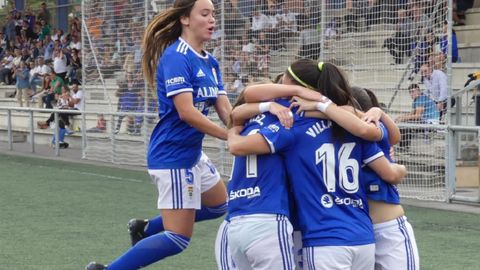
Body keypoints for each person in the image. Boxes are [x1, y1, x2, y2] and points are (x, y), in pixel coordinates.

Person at [86, 0, 232, 269]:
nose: (212, 19)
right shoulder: (176, 57)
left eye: (213, 14)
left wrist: (239, 128)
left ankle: (144, 228)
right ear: (185, 19)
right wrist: (229, 137)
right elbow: (187, 112)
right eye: (205, 13)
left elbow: (224, 108)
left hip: (192, 155)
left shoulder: (210, 61)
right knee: (177, 238)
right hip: (173, 156)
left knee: (220, 204)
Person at [229, 60, 406, 270]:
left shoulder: (292, 120)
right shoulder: (351, 122)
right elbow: (387, 141)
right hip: (362, 236)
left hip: (321, 237)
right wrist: (373, 112)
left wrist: (233, 133)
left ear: (293, 83)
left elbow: (241, 111)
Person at [351, 87, 420, 270]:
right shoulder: (354, 134)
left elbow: (394, 137)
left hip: (372, 227)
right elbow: (391, 171)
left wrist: (378, 112)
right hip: (365, 228)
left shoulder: (370, 131)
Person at [395, 83, 439, 150]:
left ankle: (404, 148)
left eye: (413, 91)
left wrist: (403, 118)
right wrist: (400, 117)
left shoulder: (421, 98)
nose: (411, 94)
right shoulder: (416, 100)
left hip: (430, 123)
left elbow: (417, 116)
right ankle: (403, 147)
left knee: (405, 125)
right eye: (410, 92)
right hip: (424, 121)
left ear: (418, 91)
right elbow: (411, 114)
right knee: (404, 123)